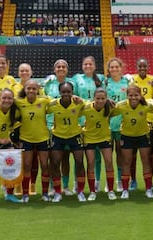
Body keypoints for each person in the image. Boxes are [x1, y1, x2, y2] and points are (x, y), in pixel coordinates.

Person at [113, 85, 153, 199]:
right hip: (127, 136)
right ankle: (125, 190)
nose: (133, 97)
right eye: (130, 95)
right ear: (127, 96)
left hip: (143, 136)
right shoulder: (121, 106)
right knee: (126, 162)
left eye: (136, 95)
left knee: (145, 161)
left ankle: (148, 189)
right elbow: (109, 112)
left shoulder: (147, 106)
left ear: (140, 96)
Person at [47, 82, 86, 202]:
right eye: (63, 92)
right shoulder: (52, 105)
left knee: (79, 162)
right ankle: (58, 192)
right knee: (55, 163)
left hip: (75, 135)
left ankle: (80, 191)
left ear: (72, 92)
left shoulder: (79, 103)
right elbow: (41, 110)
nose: (66, 94)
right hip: (58, 136)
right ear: (59, 93)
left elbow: (94, 104)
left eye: (68, 92)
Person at [71, 56, 106, 192]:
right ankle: (76, 182)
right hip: (80, 121)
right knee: (78, 155)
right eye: (85, 64)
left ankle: (96, 181)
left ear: (94, 66)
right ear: (82, 66)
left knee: (96, 155)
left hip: (96, 120)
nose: (87, 66)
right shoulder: (76, 78)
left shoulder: (102, 79)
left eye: (90, 64)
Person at [15, 80, 51, 203]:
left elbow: (59, 101)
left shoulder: (44, 100)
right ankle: (25, 194)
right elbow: (4, 101)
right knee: (27, 165)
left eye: (34, 89)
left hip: (43, 138)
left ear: (38, 90)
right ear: (25, 90)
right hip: (26, 139)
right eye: (29, 88)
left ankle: (45, 193)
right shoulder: (19, 102)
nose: (31, 91)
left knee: (45, 165)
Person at [44, 59, 73, 196]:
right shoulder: (48, 83)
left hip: (67, 126)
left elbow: (77, 101)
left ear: (67, 69)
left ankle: (66, 186)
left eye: (63, 67)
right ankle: (52, 186)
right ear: (54, 69)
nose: (61, 69)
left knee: (66, 158)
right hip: (50, 126)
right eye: (58, 67)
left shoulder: (72, 83)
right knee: (53, 159)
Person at [81, 88, 117, 200]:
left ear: (106, 98)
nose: (100, 101)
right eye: (98, 98)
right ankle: (92, 191)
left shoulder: (110, 107)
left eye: (103, 98)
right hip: (89, 139)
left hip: (104, 138)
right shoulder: (86, 107)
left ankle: (110, 190)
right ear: (93, 98)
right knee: (91, 163)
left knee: (109, 162)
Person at [13, 63, 40, 196]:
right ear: (18, 73)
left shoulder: (37, 87)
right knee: (19, 158)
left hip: (34, 128)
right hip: (17, 129)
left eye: (27, 71)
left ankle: (32, 184)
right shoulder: (14, 87)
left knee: (34, 158)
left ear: (31, 72)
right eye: (22, 71)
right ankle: (18, 183)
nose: (24, 73)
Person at [130, 57, 153, 191]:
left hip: (150, 121)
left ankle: (149, 181)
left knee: (149, 155)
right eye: (140, 67)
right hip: (134, 121)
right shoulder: (132, 81)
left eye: (144, 66)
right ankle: (133, 180)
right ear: (136, 67)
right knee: (132, 154)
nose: (142, 69)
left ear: (148, 67)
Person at [105, 57, 130, 192]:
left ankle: (120, 180)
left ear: (121, 68)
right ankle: (107, 182)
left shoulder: (127, 82)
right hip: (108, 124)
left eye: (117, 67)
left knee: (121, 154)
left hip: (122, 124)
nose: (114, 69)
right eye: (112, 67)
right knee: (108, 155)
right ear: (108, 69)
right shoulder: (105, 83)